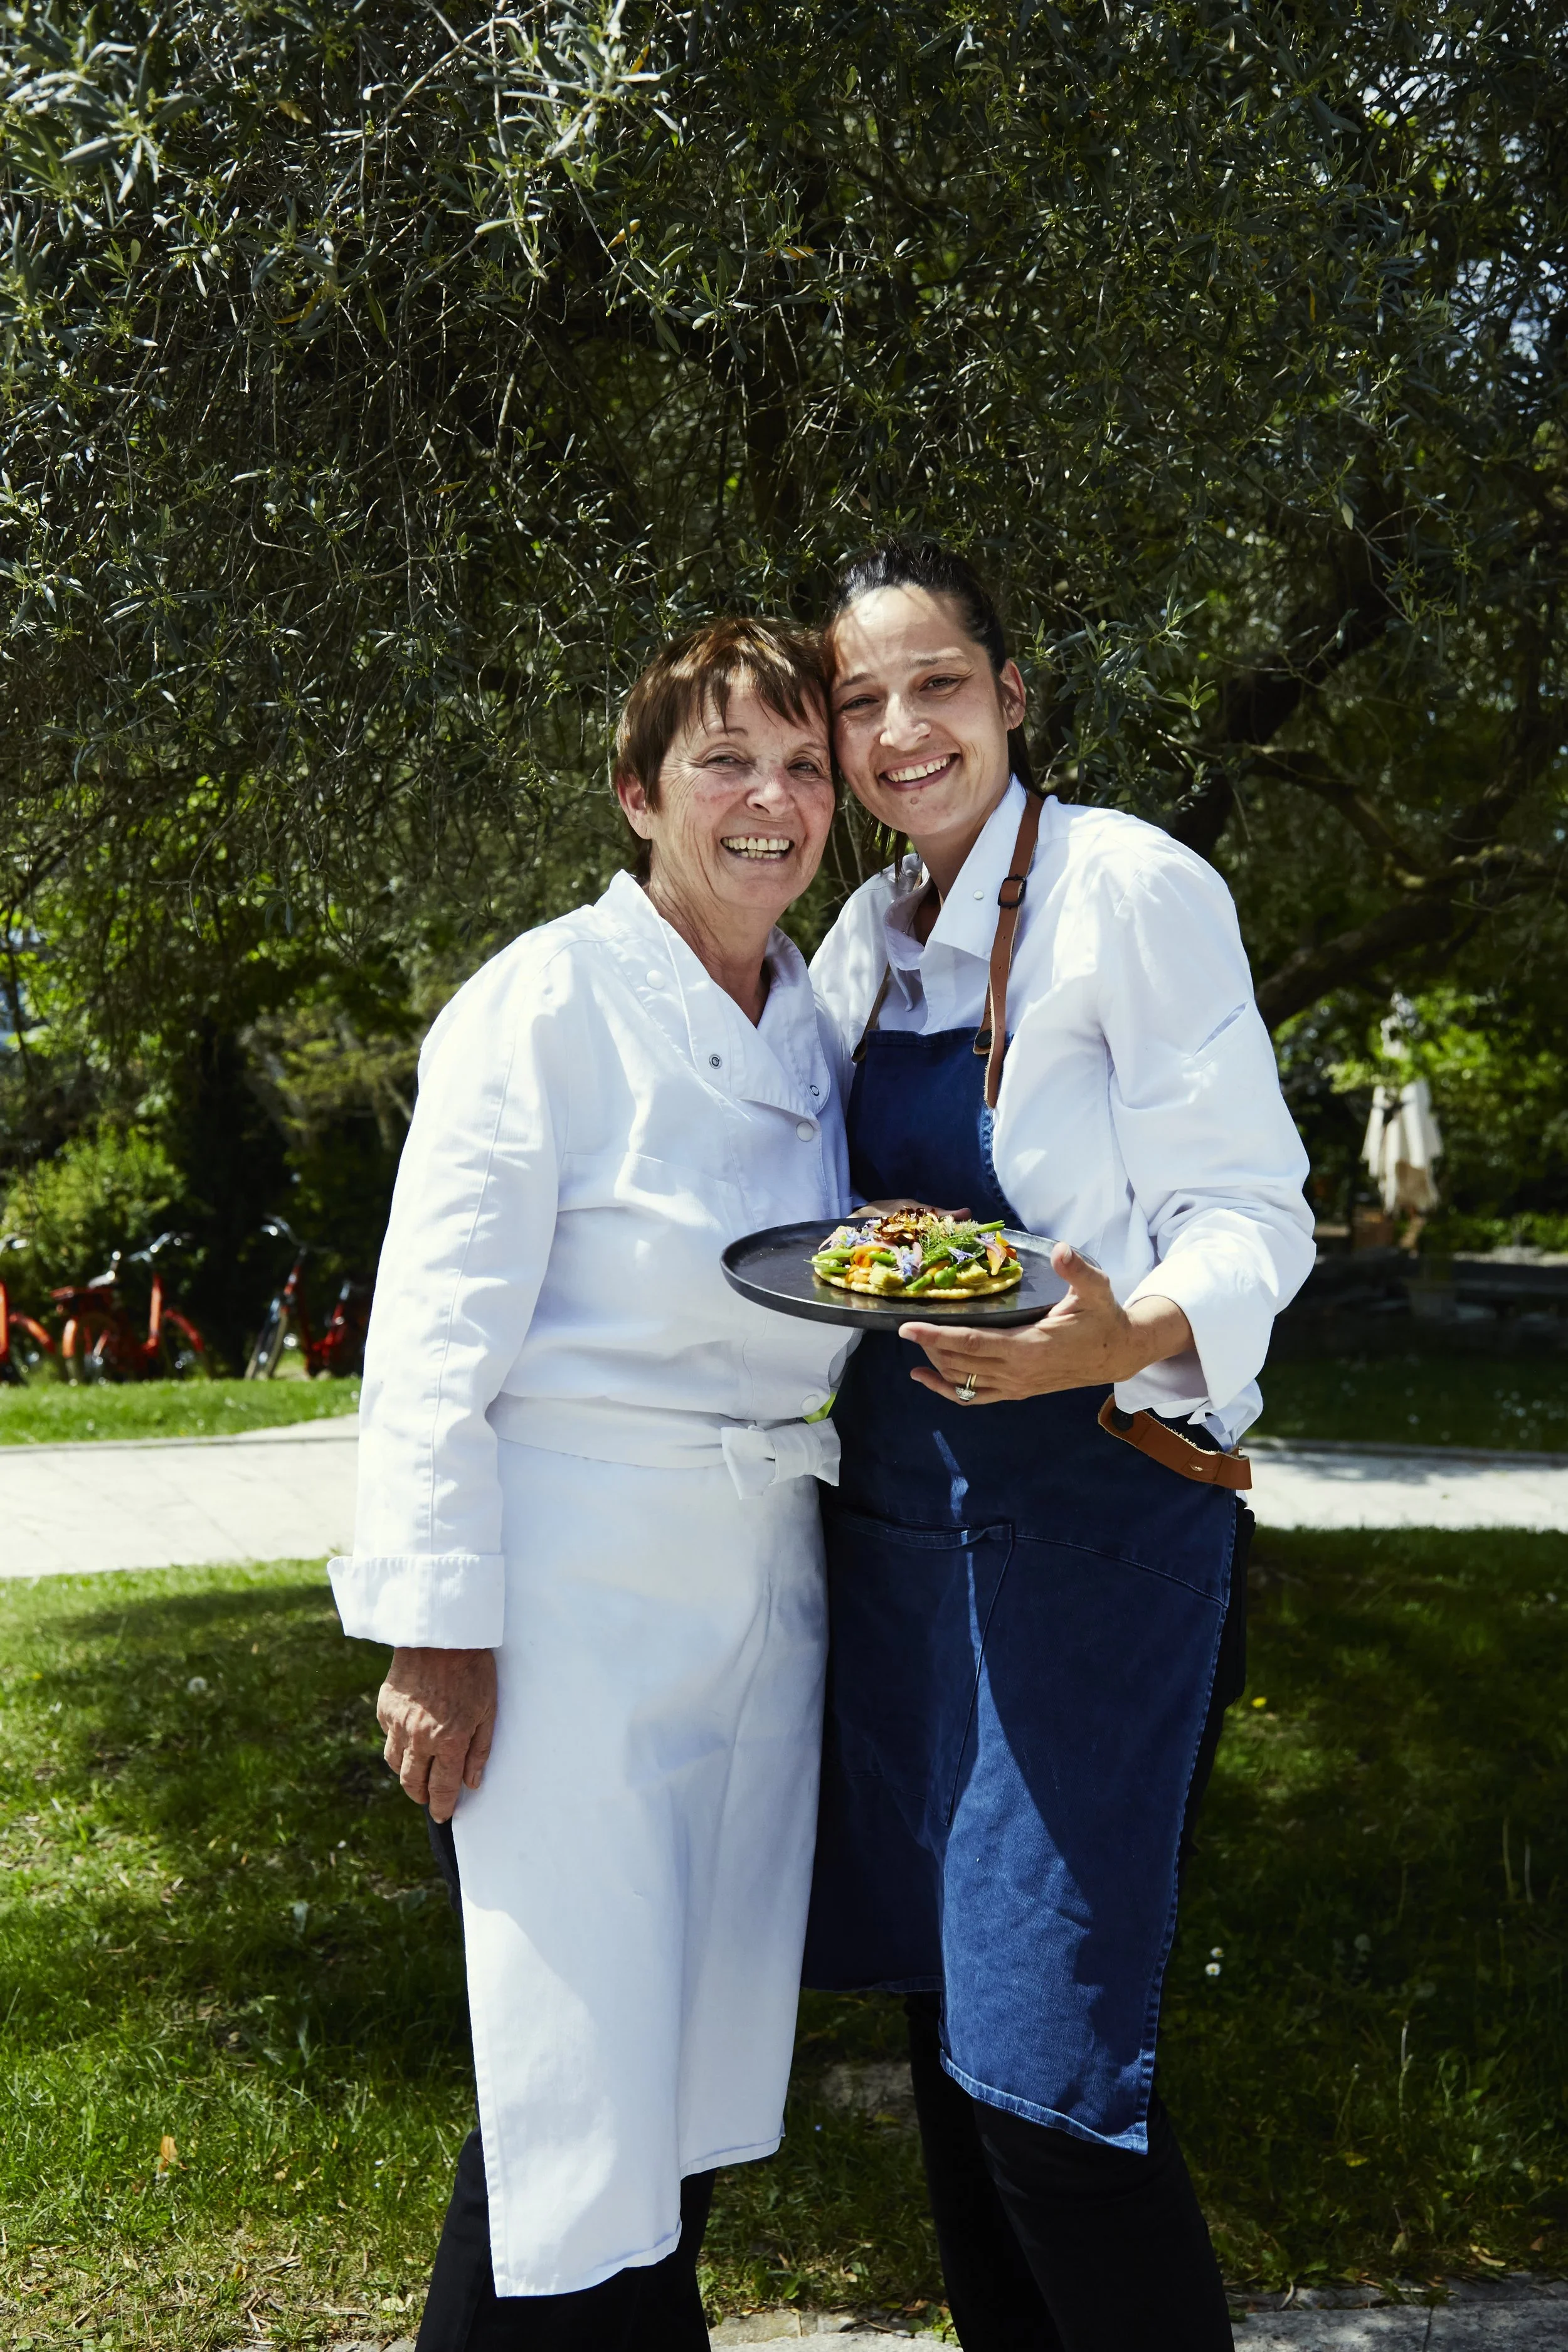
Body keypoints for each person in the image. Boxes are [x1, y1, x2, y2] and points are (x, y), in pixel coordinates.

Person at [805, 543, 1315, 2352]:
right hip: (904, 1548)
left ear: (1013, 694)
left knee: (1051, 2088)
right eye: (857, 701)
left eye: (932, 683)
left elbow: (1257, 1216)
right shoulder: (866, 940)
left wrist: (1122, 1334)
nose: (896, 729)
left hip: (1097, 1537)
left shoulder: (1127, 887)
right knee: (952, 2061)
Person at [329, 618, 852, 2352]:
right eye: (724, 761)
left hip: (754, 1598)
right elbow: (429, 1340)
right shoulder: (540, 1000)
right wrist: (435, 1633)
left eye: (800, 763)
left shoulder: (809, 1029)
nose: (769, 799)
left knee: (679, 2097)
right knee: (569, 2093)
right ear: (638, 795)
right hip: (568, 1610)